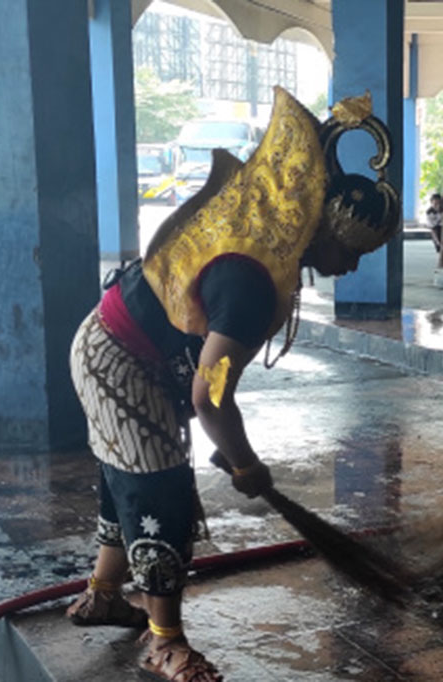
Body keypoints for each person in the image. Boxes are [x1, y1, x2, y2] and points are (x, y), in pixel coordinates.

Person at [64, 89, 400, 682]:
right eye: (350, 249)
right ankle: (166, 642)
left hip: (110, 343)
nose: (352, 266)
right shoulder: (252, 285)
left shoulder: (268, 251)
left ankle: (102, 595)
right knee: (158, 491)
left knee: (127, 479)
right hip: (119, 359)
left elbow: (206, 385)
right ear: (322, 223)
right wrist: (247, 464)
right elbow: (209, 395)